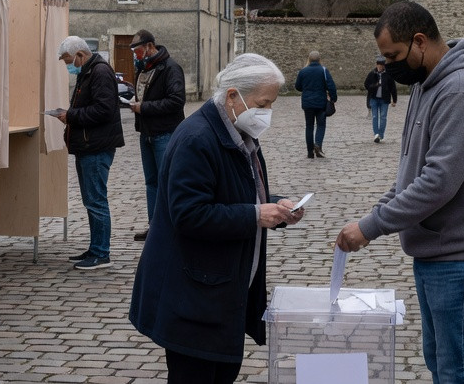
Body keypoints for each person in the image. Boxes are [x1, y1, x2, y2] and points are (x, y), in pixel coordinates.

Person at [335, 1, 464, 384]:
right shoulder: (426, 84)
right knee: (441, 363)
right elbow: (411, 171)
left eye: (393, 56)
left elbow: (437, 182)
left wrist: (371, 227)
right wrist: (376, 212)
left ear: (419, 42)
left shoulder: (463, 90)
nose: (390, 65)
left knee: (460, 372)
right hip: (439, 252)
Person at [130, 53, 305, 384]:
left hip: (218, 293)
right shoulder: (197, 139)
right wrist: (257, 214)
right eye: (263, 103)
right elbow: (189, 214)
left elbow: (235, 193)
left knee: (222, 373)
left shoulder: (238, 132)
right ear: (233, 96)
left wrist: (276, 207)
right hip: (193, 297)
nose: (267, 112)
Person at [55, 36, 126, 270]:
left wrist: (71, 116)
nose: (68, 65)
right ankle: (95, 247)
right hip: (88, 145)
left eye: (68, 60)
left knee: (96, 201)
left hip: (96, 146)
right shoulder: (88, 71)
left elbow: (104, 110)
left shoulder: (99, 72)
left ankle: (101, 253)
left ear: (80, 55)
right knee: (91, 200)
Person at [128, 29, 187, 241]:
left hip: (165, 133)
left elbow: (176, 101)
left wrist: (143, 107)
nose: (136, 55)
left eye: (138, 51)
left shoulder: (170, 68)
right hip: (147, 133)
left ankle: (169, 227)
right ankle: (155, 227)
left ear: (150, 46)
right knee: (151, 182)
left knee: (167, 181)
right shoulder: (144, 68)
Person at [293, 50, 337, 158]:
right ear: (319, 59)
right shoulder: (323, 70)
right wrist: (333, 98)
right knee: (321, 125)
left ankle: (310, 152)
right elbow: (331, 85)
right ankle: (318, 144)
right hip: (320, 102)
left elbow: (298, 86)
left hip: (307, 103)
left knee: (309, 126)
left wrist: (306, 88)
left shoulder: (303, 71)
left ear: (309, 59)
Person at [363, 55, 398, 143]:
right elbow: (366, 85)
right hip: (374, 98)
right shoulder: (372, 73)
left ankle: (381, 135)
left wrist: (394, 100)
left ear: (384, 66)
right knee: (374, 117)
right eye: (378, 65)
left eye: (381, 65)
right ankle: (376, 134)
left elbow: (393, 88)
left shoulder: (388, 75)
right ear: (376, 65)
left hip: (384, 99)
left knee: (383, 117)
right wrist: (374, 86)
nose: (380, 67)